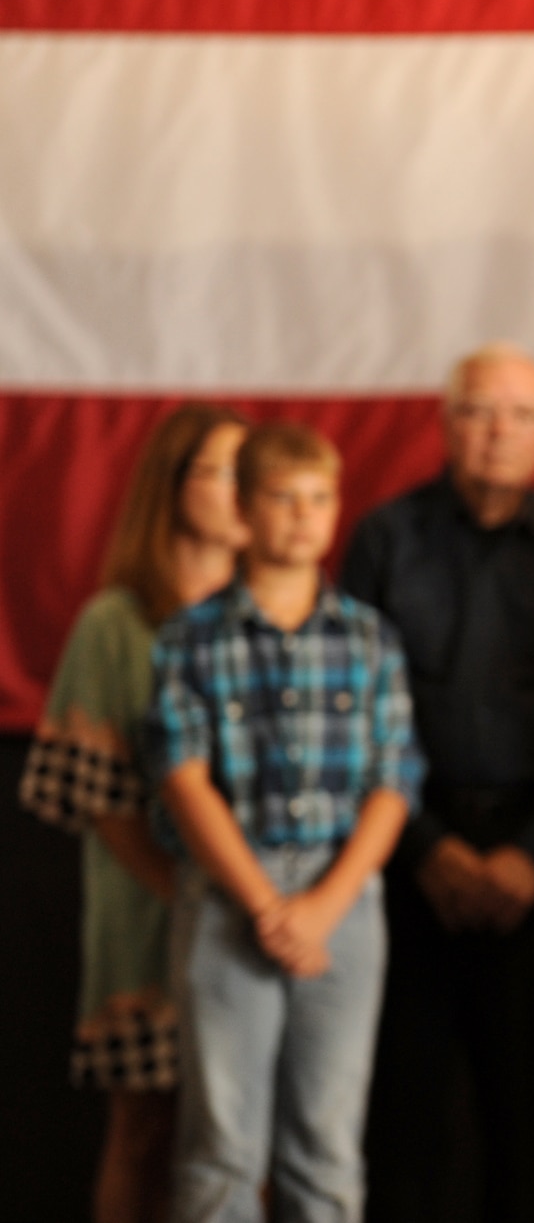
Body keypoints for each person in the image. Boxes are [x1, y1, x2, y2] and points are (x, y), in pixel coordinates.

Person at [343, 343, 534, 1223]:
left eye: (521, 414)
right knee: (403, 1117)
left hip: (533, 875)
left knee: (525, 1118)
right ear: (445, 421)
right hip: (404, 860)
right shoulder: (386, 539)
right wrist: (426, 850)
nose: (498, 432)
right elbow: (352, 710)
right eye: (478, 411)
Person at [148, 420, 423, 1221]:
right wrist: (267, 905)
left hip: (344, 893)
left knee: (327, 1142)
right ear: (242, 507)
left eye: (319, 498)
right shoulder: (192, 638)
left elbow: (394, 778)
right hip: (232, 890)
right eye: (281, 497)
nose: (303, 516)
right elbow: (182, 776)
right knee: (222, 1145)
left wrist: (327, 902)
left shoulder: (369, 637)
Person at [17, 405, 247, 1223]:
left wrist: (250, 896)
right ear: (173, 485)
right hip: (146, 903)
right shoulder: (116, 621)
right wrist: (182, 889)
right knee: (144, 1126)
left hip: (257, 905)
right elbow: (92, 789)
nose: (240, 491)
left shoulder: (272, 613)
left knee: (243, 1129)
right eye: (222, 471)